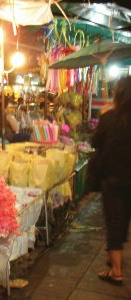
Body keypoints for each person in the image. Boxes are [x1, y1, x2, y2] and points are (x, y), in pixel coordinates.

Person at [89, 76, 131, 286]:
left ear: (118, 94)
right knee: (122, 221)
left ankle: (115, 271)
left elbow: (95, 142)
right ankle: (114, 256)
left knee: (115, 221)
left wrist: (104, 116)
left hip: (113, 179)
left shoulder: (110, 117)